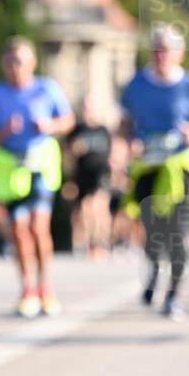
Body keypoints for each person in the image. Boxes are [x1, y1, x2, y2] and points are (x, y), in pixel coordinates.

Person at [120, 24, 189, 321]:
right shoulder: (136, 85)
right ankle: (153, 274)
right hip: (149, 168)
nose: (162, 54)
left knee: (177, 233)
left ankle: (173, 296)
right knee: (153, 234)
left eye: (168, 49)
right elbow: (124, 124)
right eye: (157, 48)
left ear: (180, 53)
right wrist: (128, 142)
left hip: (182, 168)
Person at [0, 37, 74, 317]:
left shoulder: (47, 88)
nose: (17, 67)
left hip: (42, 164)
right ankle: (27, 288)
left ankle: (46, 286)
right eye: (12, 62)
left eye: (22, 61)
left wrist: (50, 125)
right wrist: (3, 131)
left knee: (39, 227)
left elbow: (68, 120)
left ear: (32, 63)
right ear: (4, 65)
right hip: (11, 170)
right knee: (18, 230)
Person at [65, 96, 112, 260]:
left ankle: (100, 242)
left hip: (100, 173)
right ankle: (88, 241)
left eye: (90, 108)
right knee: (83, 209)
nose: (87, 111)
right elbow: (67, 152)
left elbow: (111, 153)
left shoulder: (103, 130)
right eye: (84, 108)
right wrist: (74, 148)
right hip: (82, 173)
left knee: (98, 206)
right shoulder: (77, 130)